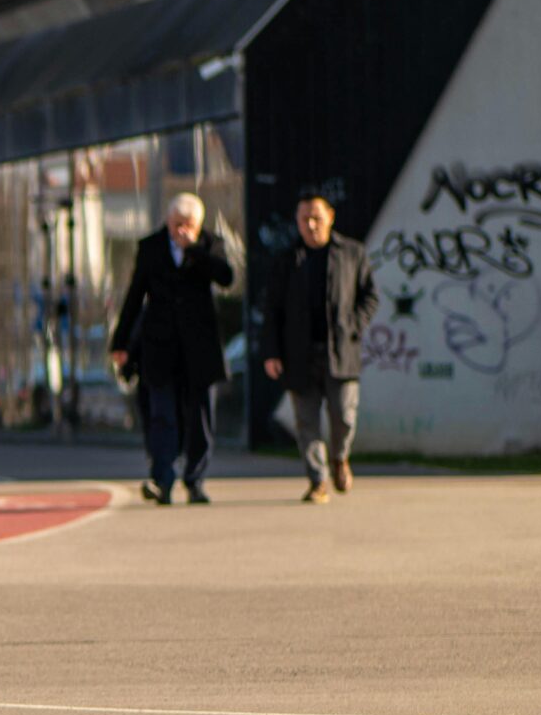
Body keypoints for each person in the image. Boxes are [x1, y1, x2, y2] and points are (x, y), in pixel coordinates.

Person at [110, 193, 234, 505]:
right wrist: (121, 343)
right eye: (176, 224)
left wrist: (193, 249)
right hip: (160, 346)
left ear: (198, 225)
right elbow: (134, 295)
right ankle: (162, 479)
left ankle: (195, 479)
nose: (181, 230)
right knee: (162, 415)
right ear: (167, 221)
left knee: (200, 417)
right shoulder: (150, 247)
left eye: (188, 225)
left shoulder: (210, 245)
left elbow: (226, 277)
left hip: (200, 347)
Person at [263, 193, 381, 504]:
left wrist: (354, 325)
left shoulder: (352, 253)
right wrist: (272, 352)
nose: (311, 225)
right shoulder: (288, 260)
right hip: (299, 354)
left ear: (330, 217)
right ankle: (317, 481)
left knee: (343, 415)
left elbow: (370, 296)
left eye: (316, 217)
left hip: (340, 352)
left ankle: (340, 458)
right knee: (306, 421)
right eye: (304, 219)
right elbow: (272, 309)